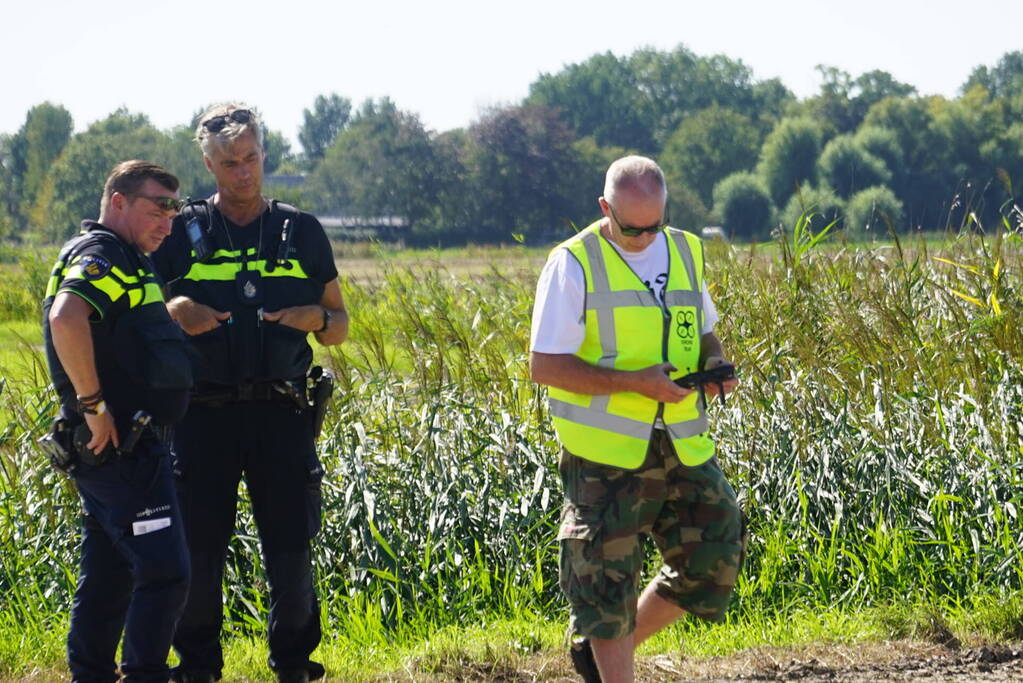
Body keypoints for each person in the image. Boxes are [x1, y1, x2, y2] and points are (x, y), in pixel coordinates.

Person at [529, 156, 746, 683]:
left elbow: (705, 330)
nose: (646, 237)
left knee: (715, 549)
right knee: (605, 585)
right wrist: (634, 383)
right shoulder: (573, 262)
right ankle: (613, 663)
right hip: (604, 453)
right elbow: (545, 365)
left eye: (655, 225)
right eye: (632, 228)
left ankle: (599, 653)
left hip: (682, 441)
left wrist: (714, 362)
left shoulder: (685, 249)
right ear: (606, 209)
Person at [151, 103, 348, 683]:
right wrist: (175, 310)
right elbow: (140, 316)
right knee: (199, 552)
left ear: (265, 155)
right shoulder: (179, 232)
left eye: (252, 159)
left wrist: (314, 316)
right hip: (200, 414)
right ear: (209, 165)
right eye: (230, 163)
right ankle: (198, 668)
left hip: (283, 411)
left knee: (290, 548)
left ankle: (293, 665)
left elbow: (340, 325)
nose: (244, 172)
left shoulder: (302, 230)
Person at [42, 160, 193, 682]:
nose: (166, 224)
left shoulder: (128, 257)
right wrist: (94, 406)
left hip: (129, 450)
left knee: (110, 576)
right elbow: (66, 318)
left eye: (173, 214)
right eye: (157, 209)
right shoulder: (103, 255)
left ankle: (91, 674)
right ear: (119, 202)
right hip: (123, 448)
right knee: (165, 574)